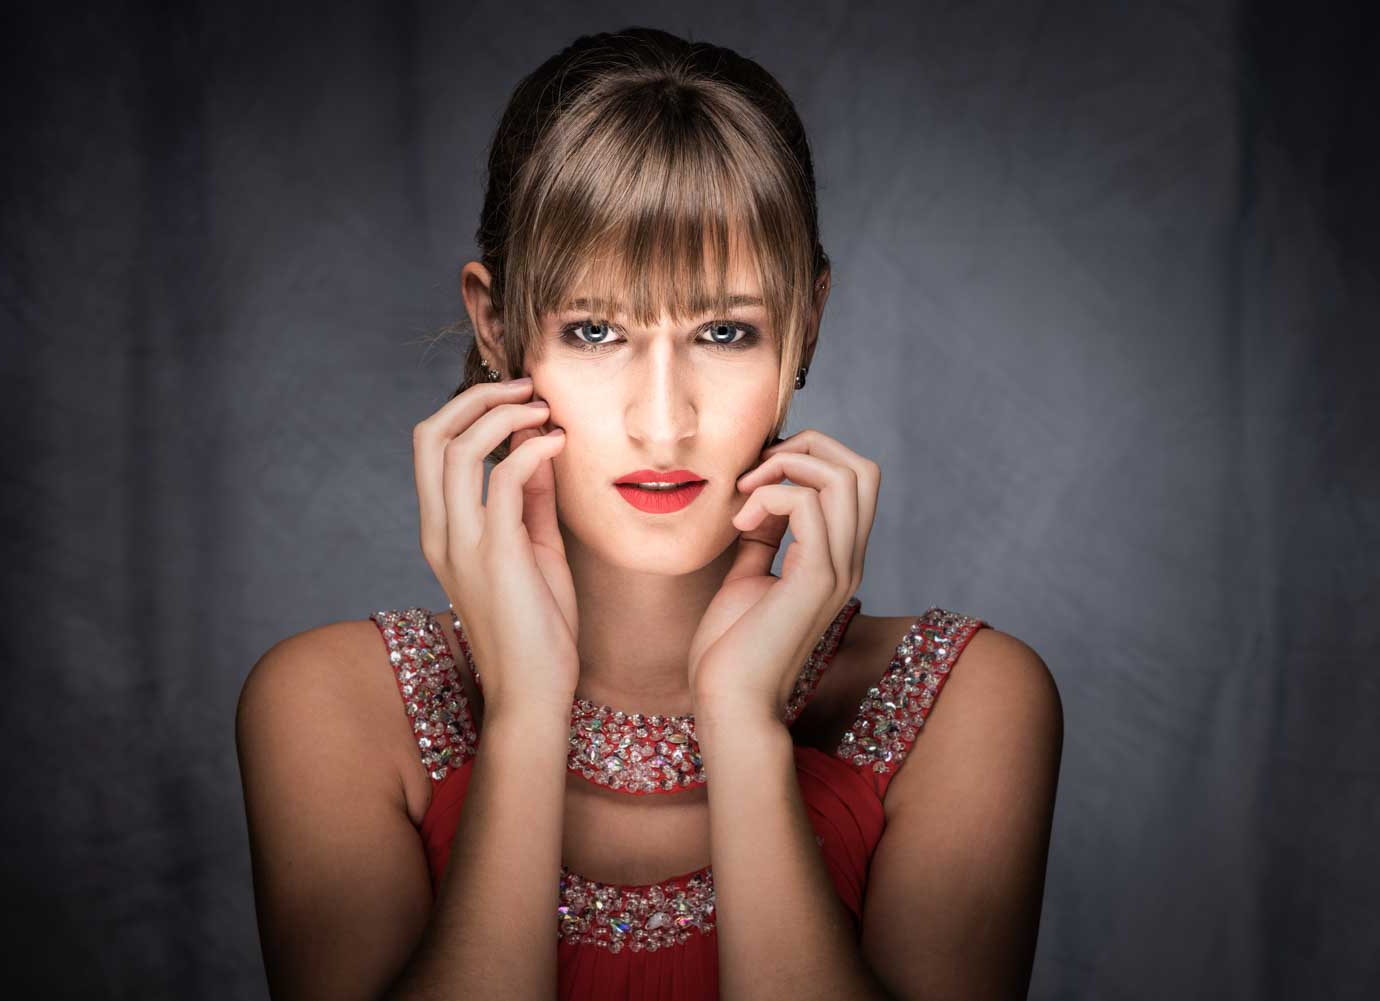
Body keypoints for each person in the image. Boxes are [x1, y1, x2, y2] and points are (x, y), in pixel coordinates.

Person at [236, 26, 1063, 1001]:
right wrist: (527, 712)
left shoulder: (965, 704)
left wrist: (746, 728)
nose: (663, 421)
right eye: (595, 329)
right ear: (497, 328)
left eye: (725, 329)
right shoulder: (332, 707)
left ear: (807, 324)